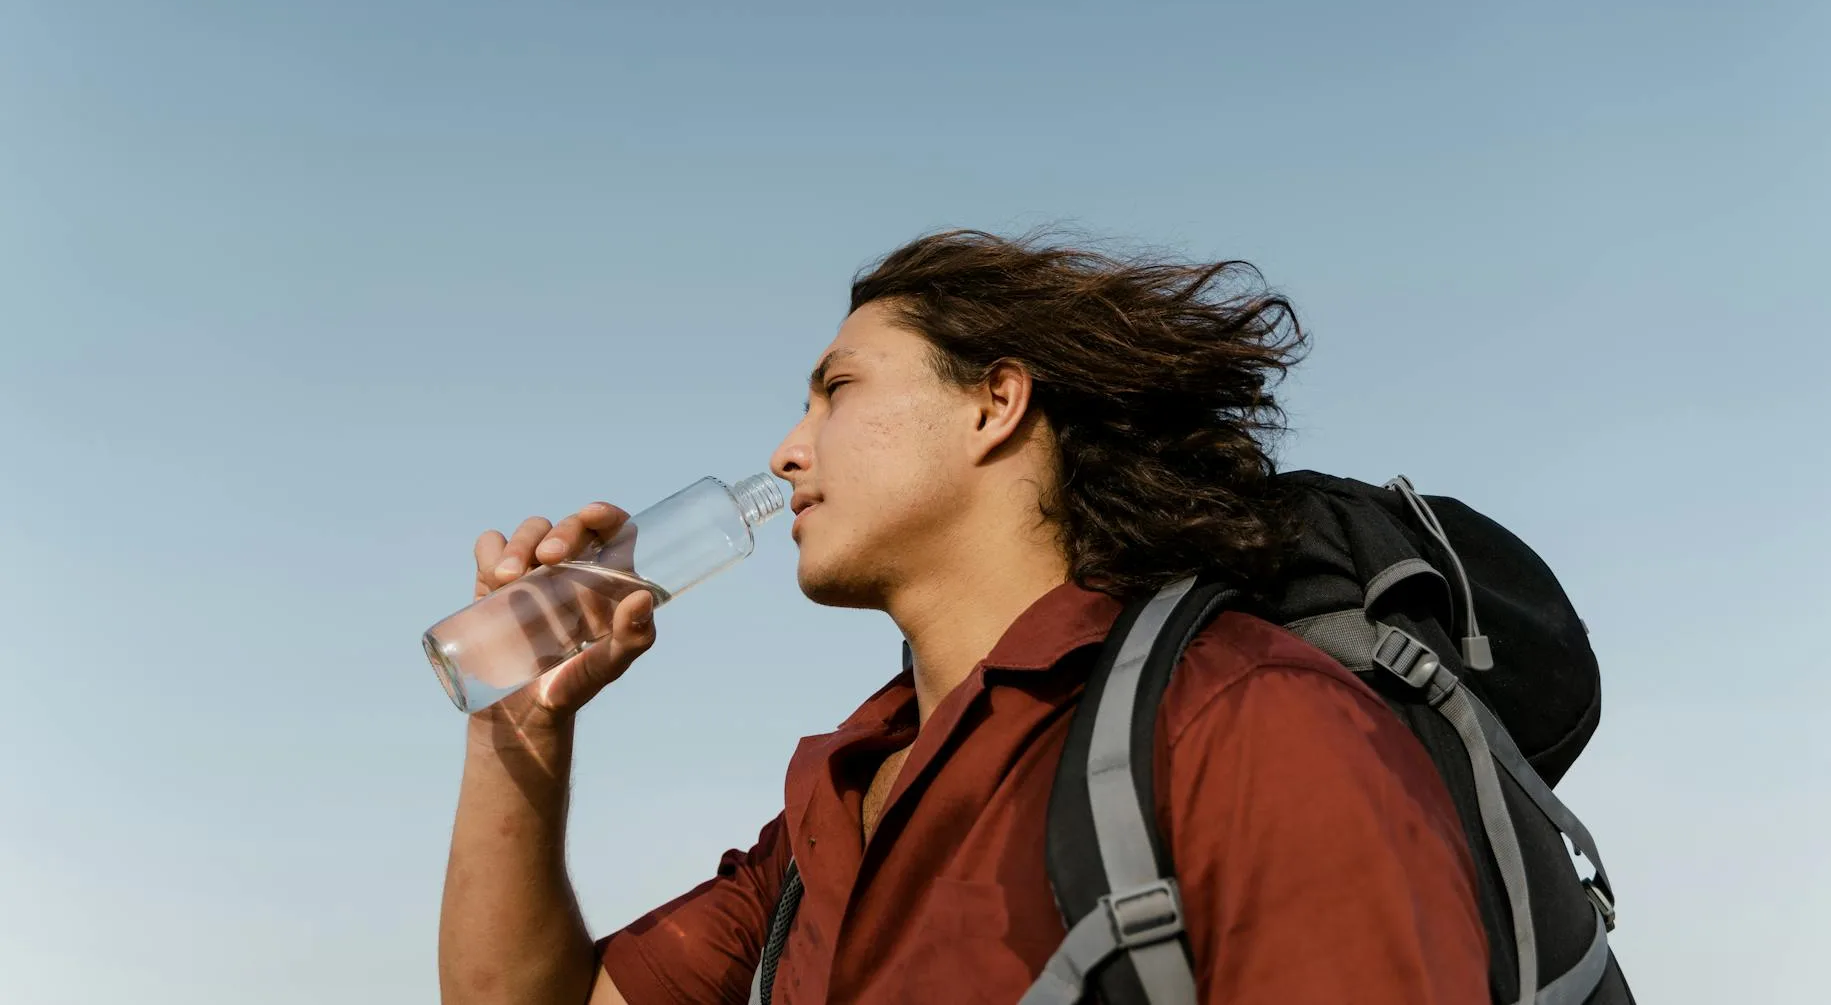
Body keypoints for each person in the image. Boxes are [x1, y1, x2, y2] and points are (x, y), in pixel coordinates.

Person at [438, 230, 1490, 1005]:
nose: (785, 451)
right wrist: (517, 727)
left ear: (994, 402)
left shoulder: (1240, 719)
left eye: (835, 389)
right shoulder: (827, 817)